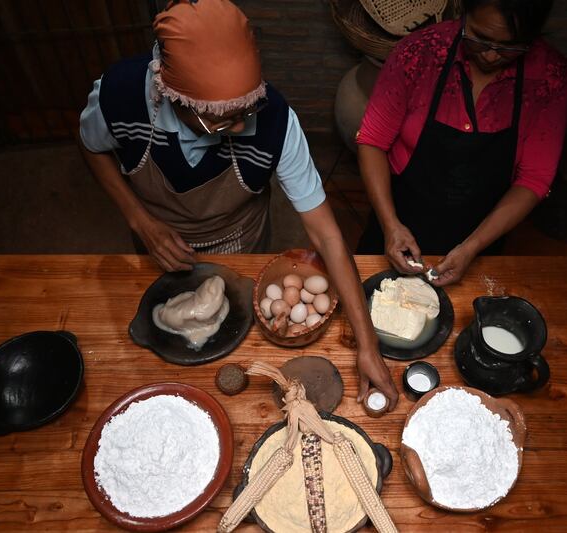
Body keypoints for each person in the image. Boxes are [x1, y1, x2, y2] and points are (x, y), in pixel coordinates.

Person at [78, 0, 397, 408]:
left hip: (241, 241)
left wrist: (367, 344)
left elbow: (326, 234)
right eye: (222, 120)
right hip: (159, 242)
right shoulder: (119, 95)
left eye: (248, 108)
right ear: (172, 97)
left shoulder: (276, 120)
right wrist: (140, 221)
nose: (243, 125)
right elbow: (91, 147)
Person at [356, 0, 567, 286]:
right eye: (479, 39)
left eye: (510, 46)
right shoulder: (419, 52)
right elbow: (372, 141)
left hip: (482, 232)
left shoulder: (549, 76)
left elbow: (534, 178)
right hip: (400, 215)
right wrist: (390, 225)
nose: (491, 56)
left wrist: (472, 247)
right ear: (463, 13)